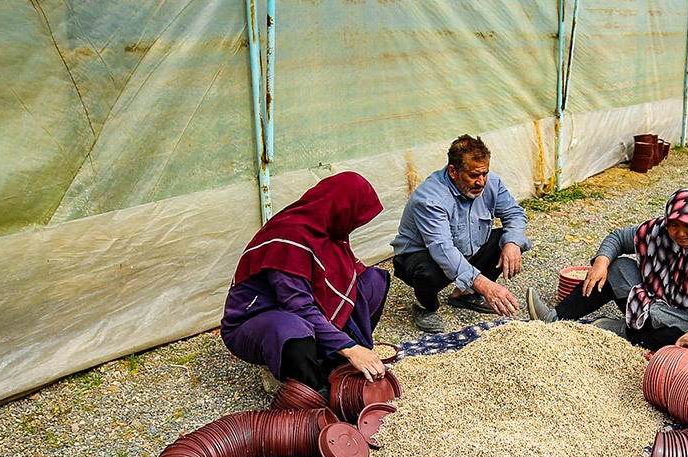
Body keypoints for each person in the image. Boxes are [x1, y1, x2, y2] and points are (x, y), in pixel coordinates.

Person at [221, 172, 389, 392]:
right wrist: (349, 348)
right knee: (290, 329)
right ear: (343, 209)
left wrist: (353, 344)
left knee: (372, 281)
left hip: (297, 313)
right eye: (355, 217)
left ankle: (333, 364)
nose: (353, 225)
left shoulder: (328, 227)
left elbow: (345, 279)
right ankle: (314, 390)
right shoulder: (290, 236)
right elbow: (297, 307)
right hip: (256, 320)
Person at [526, 188, 688, 356]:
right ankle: (555, 317)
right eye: (674, 225)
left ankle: (626, 332)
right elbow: (618, 238)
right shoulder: (658, 230)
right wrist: (601, 262)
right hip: (662, 300)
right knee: (617, 267)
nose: (680, 234)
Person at [392, 135, 530, 332]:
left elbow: (514, 213)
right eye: (474, 176)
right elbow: (442, 249)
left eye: (485, 174)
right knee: (428, 272)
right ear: (453, 172)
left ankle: (464, 294)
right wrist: (486, 285)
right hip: (422, 255)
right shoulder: (430, 198)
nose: (481, 182)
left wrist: (513, 244)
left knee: (508, 240)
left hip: (464, 248)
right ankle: (425, 306)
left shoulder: (492, 183)